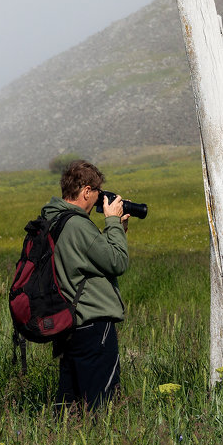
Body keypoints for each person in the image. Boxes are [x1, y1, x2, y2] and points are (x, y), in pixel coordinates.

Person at [41, 159, 130, 410]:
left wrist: (117, 233)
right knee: (101, 405)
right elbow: (117, 262)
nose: (99, 201)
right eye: (97, 193)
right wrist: (112, 223)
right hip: (93, 322)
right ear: (86, 191)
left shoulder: (53, 219)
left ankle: (63, 444)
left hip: (68, 322)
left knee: (70, 403)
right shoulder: (78, 224)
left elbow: (87, 256)